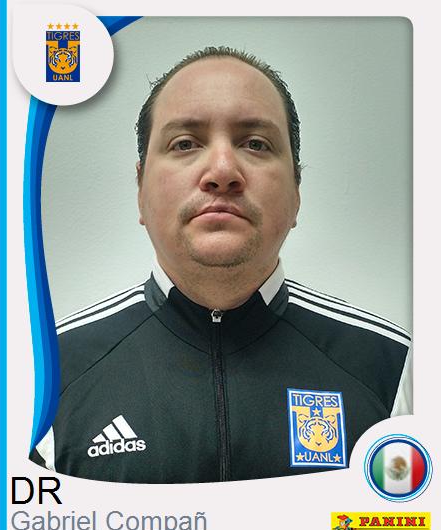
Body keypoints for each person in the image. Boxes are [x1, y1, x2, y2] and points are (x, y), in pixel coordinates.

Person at [30, 46, 412, 483]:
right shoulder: (46, 377)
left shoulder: (395, 372)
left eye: (255, 144)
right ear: (140, 189)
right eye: (185, 143)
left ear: (296, 193)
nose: (223, 170)